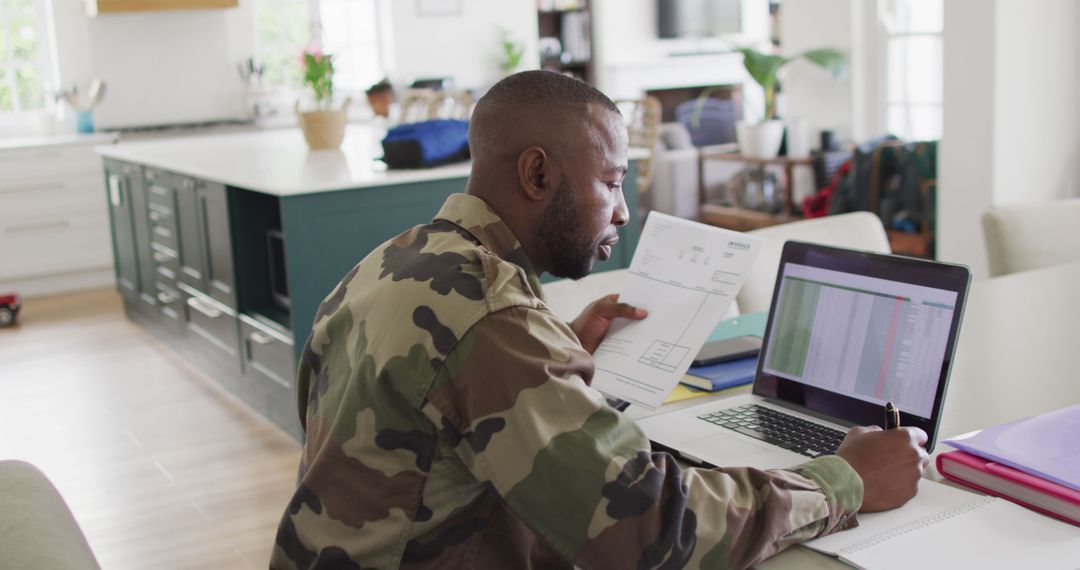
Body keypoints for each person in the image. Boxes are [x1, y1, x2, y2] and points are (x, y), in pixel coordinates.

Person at [271, 71, 930, 570]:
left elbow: (427, 425)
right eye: (612, 183)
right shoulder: (493, 318)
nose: (623, 212)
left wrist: (551, 354)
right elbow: (648, 530)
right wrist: (847, 480)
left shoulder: (392, 261)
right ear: (537, 173)